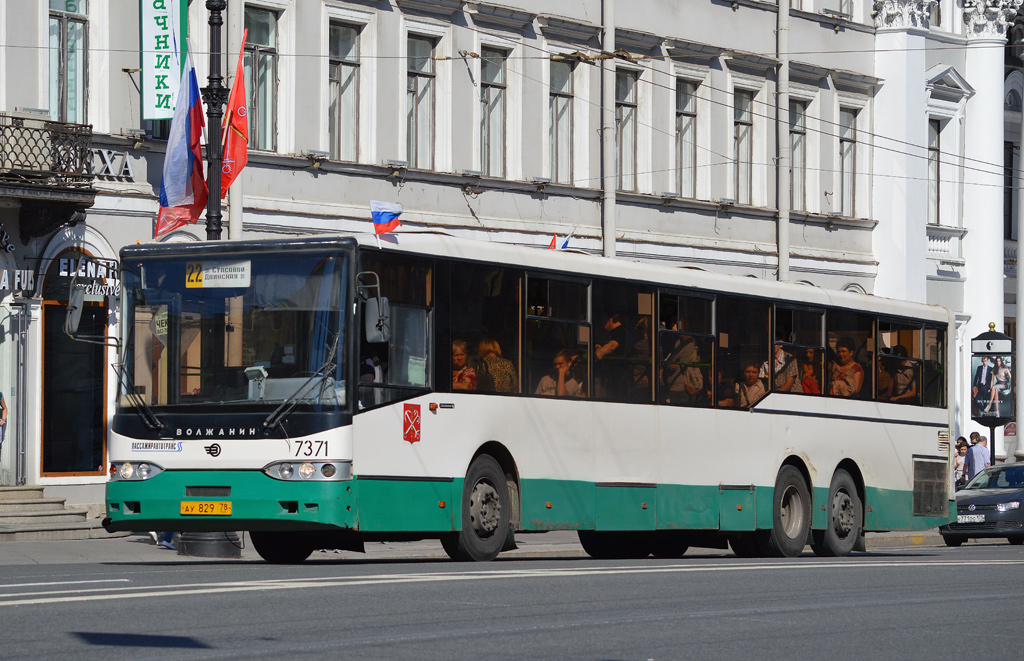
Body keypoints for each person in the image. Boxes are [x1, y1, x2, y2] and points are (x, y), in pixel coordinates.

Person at [662, 317, 705, 405]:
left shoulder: (688, 343)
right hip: (673, 386)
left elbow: (670, 360)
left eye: (677, 325)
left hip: (679, 388)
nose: (674, 328)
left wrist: (668, 365)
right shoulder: (677, 341)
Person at [594, 313, 628, 397]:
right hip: (617, 375)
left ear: (610, 320)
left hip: (619, 375)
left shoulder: (619, 331)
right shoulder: (620, 332)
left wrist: (599, 352)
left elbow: (612, 346)